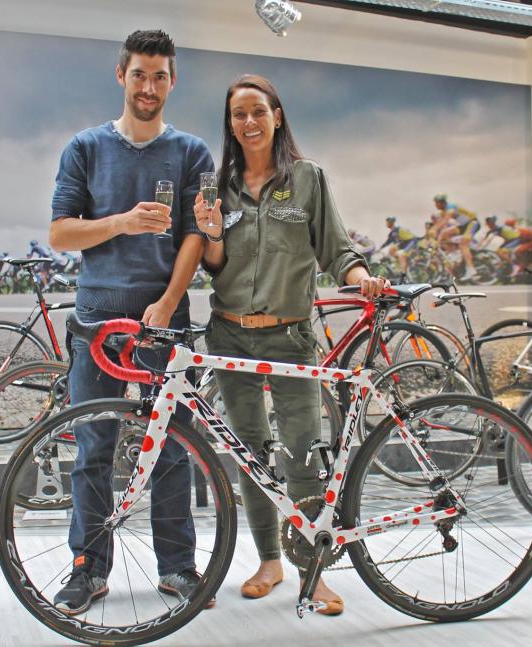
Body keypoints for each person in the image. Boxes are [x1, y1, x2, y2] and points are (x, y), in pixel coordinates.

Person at [193, 73, 385, 616]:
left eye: (258, 111)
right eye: (238, 115)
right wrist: (209, 233)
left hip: (291, 337)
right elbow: (213, 266)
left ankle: (312, 571)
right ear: (229, 124)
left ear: (277, 115)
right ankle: (269, 561)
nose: (249, 122)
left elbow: (335, 249)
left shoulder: (307, 179)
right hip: (229, 333)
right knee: (251, 454)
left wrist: (361, 274)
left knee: (302, 453)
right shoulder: (219, 185)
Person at [48, 29, 213, 615]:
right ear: (122, 75)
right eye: (140, 74)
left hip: (164, 316)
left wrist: (169, 303)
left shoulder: (193, 152)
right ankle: (87, 570)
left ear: (173, 80)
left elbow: (199, 234)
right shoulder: (85, 147)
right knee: (94, 446)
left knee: (171, 443)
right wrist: (121, 222)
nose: (150, 86)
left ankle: (178, 568)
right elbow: (61, 232)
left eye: (161, 75)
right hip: (96, 316)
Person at [431, 194, 481, 281]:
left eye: (436, 203)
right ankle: (455, 254)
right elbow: (441, 225)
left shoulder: (450, 207)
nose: (435, 205)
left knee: (463, 244)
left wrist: (434, 229)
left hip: (472, 223)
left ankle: (471, 270)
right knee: (444, 235)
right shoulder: (443, 211)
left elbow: (446, 220)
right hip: (462, 226)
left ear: (441, 202)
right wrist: (435, 235)